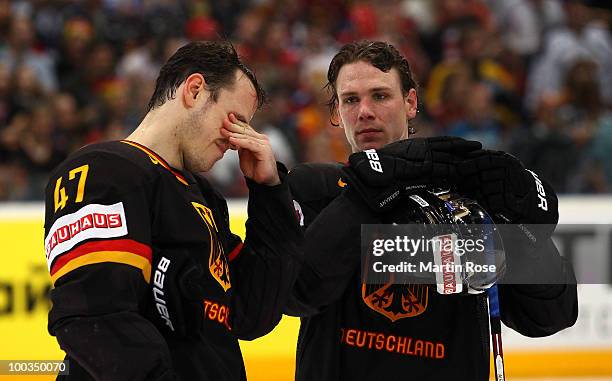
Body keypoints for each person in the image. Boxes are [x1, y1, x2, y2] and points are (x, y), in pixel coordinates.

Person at [285, 40, 577, 380]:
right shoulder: (314, 189)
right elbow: (297, 296)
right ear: (336, 113)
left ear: (410, 103)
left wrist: (528, 235)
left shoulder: (466, 196)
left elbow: (550, 316)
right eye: (351, 100)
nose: (364, 111)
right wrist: (375, 185)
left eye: (380, 96)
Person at [43, 41, 302, 380]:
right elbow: (96, 318)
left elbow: (252, 314)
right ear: (194, 90)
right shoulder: (102, 169)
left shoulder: (202, 196)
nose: (237, 139)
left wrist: (271, 195)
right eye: (235, 120)